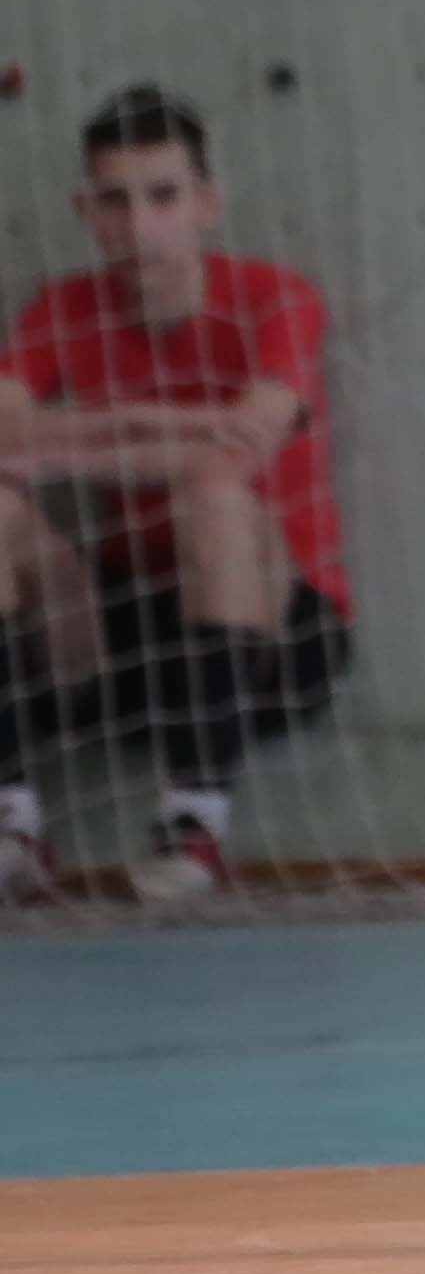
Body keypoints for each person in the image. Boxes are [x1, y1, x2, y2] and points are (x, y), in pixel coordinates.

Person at [0, 86, 355, 904]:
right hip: (124, 633)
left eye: (163, 196)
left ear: (206, 203)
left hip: (276, 632)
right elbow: (6, 434)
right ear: (86, 210)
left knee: (214, 491)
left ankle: (195, 821)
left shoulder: (276, 296)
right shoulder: (63, 308)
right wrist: (169, 423)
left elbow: (245, 440)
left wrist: (82, 438)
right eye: (115, 201)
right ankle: (12, 819)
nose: (140, 225)